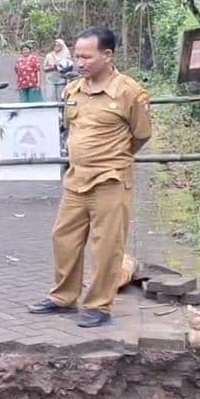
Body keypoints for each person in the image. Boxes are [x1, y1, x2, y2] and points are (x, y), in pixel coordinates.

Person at [27, 26, 153, 328]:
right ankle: (63, 297)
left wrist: (114, 157)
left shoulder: (129, 92)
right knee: (64, 238)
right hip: (76, 179)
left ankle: (99, 305)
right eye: (77, 56)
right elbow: (73, 131)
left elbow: (141, 135)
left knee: (107, 246)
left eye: (87, 56)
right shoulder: (73, 90)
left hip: (110, 180)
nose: (79, 62)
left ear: (108, 55)